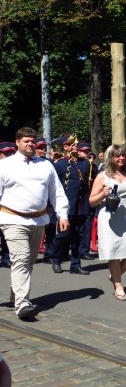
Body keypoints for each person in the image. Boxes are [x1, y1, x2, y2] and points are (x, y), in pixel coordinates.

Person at [0, 127, 70, 320]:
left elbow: (56, 192)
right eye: (26, 141)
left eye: (32, 141)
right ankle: (23, 305)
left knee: (29, 262)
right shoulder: (5, 165)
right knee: (21, 259)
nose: (30, 144)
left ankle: (16, 295)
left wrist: (62, 215)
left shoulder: (45, 165)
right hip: (12, 219)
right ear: (17, 143)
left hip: (39, 220)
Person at [88, 145, 126, 301]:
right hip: (108, 216)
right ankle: (118, 286)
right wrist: (102, 194)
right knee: (114, 253)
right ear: (110, 158)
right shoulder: (102, 176)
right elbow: (92, 201)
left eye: (123, 156)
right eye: (117, 156)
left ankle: (114, 274)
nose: (121, 159)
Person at [52, 134, 98, 275]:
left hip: (82, 205)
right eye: (71, 144)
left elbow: (94, 180)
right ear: (65, 147)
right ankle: (56, 259)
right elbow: (54, 187)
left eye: (76, 144)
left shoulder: (85, 164)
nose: (75, 146)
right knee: (63, 235)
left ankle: (75, 264)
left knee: (79, 236)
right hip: (67, 207)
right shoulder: (60, 164)